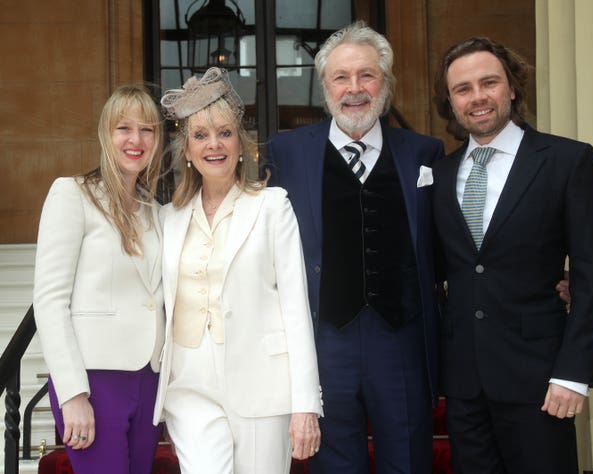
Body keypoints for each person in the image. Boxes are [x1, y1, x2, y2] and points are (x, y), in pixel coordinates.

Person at [267, 21, 444, 473]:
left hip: (401, 342)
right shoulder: (286, 152)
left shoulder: (424, 153)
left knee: (408, 461)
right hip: (324, 344)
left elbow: (449, 243)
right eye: (341, 77)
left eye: (367, 75)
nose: (354, 89)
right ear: (323, 85)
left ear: (385, 83)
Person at [431, 36, 593, 474]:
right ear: (451, 102)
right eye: (463, 89)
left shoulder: (568, 161)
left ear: (511, 86)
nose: (477, 97)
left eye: (488, 82)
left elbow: (591, 276)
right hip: (465, 387)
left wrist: (572, 373)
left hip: (542, 382)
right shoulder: (439, 175)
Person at [152, 66, 322, 474]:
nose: (214, 145)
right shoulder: (167, 219)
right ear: (187, 151)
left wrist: (306, 404)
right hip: (189, 385)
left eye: (225, 133)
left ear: (242, 144)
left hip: (263, 385)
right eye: (201, 136)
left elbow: (296, 308)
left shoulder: (273, 206)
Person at [33, 85, 166, 474]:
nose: (136, 140)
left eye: (148, 130)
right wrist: (73, 392)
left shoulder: (156, 211)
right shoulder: (72, 194)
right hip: (93, 379)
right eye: (124, 128)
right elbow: (50, 299)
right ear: (106, 134)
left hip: (148, 379)